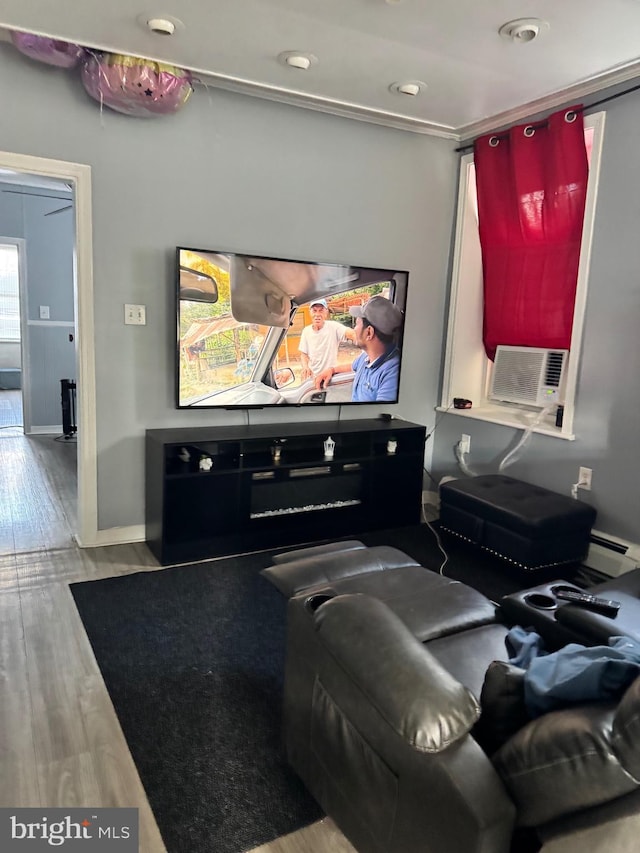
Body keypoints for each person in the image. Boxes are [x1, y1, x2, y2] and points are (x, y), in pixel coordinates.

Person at [315, 295, 403, 402]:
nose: (354, 329)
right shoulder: (366, 357)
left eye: (356, 324)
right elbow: (352, 366)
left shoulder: (392, 373)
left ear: (369, 332)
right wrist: (332, 370)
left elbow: (380, 415)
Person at [298, 299, 355, 380]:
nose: (317, 314)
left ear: (326, 312)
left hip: (330, 376)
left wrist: (360, 337)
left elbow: (350, 333)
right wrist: (305, 367)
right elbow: (303, 354)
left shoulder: (333, 327)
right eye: (314, 311)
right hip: (313, 378)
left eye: (321, 311)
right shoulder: (306, 331)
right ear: (310, 312)